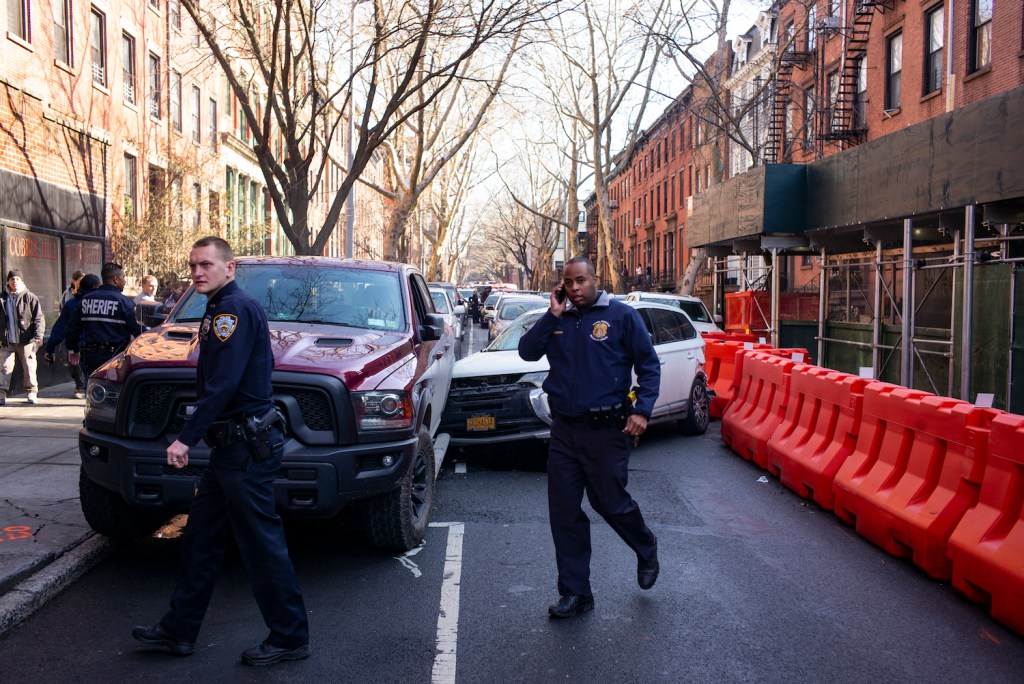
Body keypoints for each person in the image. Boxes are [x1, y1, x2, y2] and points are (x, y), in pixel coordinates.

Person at [133, 236, 309, 666]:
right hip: (231, 449)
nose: (197, 272)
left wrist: (185, 437)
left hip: (246, 451)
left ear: (229, 269)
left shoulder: (232, 309)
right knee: (201, 540)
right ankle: (178, 630)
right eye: (193, 265)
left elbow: (223, 384)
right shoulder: (216, 308)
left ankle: (290, 636)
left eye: (206, 265)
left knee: (260, 547)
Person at [518, 256, 661, 619]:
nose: (575, 288)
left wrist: (641, 410)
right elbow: (527, 351)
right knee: (564, 512)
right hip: (565, 431)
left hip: (607, 431)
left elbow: (648, 364)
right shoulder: (558, 319)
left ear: (595, 280)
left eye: (581, 280)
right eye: (568, 282)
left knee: (610, 503)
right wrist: (551, 315)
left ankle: (645, 546)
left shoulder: (620, 317)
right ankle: (576, 593)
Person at [66, 262, 142, 380]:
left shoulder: (85, 300)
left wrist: (73, 349)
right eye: (123, 277)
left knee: (93, 391)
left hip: (91, 358)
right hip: (116, 358)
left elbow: (72, 329)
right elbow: (138, 330)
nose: (125, 281)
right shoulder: (125, 303)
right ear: (115, 279)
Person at [44, 274, 101, 398]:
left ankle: (85, 389)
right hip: (96, 346)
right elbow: (63, 327)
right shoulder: (98, 303)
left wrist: (50, 349)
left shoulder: (73, 303)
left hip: (80, 345)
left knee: (83, 370)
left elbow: (61, 327)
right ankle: (84, 389)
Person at [0, 270, 45, 406]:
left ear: (22, 281)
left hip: (26, 340)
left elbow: (39, 318)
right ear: (8, 281)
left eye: (17, 279)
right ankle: (1, 393)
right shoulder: (2, 298)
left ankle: (32, 392)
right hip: (7, 340)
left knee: (29, 366)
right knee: (4, 367)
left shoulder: (30, 297)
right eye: (12, 279)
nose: (14, 281)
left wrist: (38, 336)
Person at [58, 270, 87, 397]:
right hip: (70, 330)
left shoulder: (88, 293)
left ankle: (82, 386)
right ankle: (79, 383)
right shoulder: (67, 295)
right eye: (79, 280)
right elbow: (63, 312)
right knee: (70, 360)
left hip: (84, 331)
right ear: (73, 281)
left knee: (82, 359)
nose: (81, 283)